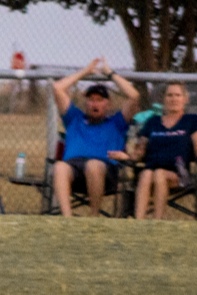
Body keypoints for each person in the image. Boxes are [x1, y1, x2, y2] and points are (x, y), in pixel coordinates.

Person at [50, 59, 139, 218]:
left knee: (93, 165)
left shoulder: (117, 123)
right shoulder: (74, 118)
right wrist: (85, 71)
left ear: (108, 104)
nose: (94, 104)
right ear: (86, 102)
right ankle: (67, 219)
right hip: (74, 169)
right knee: (59, 167)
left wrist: (110, 74)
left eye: (100, 100)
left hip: (104, 171)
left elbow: (134, 96)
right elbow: (57, 88)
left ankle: (93, 217)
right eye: (91, 99)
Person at [130, 81, 197, 221]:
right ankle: (138, 223)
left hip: (180, 174)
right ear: (163, 99)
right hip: (151, 170)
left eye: (178, 95)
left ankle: (157, 222)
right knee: (146, 173)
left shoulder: (192, 121)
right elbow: (140, 151)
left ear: (185, 99)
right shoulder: (153, 122)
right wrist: (127, 156)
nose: (174, 99)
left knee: (159, 174)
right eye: (170, 95)